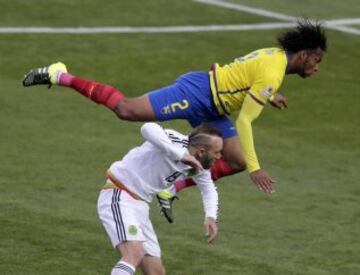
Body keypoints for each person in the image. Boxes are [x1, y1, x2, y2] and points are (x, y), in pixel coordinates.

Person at [22, 19, 327, 197]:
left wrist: (269, 95)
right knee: (126, 109)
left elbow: (242, 73)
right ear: (303, 55)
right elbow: (246, 121)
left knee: (234, 160)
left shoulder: (274, 57)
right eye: (317, 60)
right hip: (197, 93)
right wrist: (257, 167)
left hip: (213, 105)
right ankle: (60, 74)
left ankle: (170, 190)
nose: (317, 67)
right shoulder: (273, 72)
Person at [97, 122, 222, 275]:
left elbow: (208, 189)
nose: (219, 156)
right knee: (133, 254)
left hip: (140, 205)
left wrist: (211, 217)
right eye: (216, 152)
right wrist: (180, 155)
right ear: (202, 151)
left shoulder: (200, 167)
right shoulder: (173, 139)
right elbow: (147, 128)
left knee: (156, 271)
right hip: (119, 194)